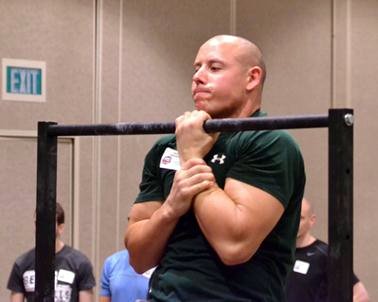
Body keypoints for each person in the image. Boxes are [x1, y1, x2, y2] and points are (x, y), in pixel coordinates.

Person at [125, 34, 306, 301]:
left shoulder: (270, 142)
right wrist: (170, 209)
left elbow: (233, 245)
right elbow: (138, 258)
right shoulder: (166, 146)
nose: (198, 76)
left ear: (252, 78)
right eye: (196, 68)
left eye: (214, 67)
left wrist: (191, 158)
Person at [7, 202, 95, 302]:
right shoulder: (22, 263)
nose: (42, 227)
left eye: (48, 223)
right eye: (38, 223)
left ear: (60, 228)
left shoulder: (80, 263)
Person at [286, 198, 370, 302]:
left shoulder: (325, 255)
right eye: (291, 217)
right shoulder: (280, 253)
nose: (294, 223)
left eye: (300, 218)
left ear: (312, 220)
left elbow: (361, 295)